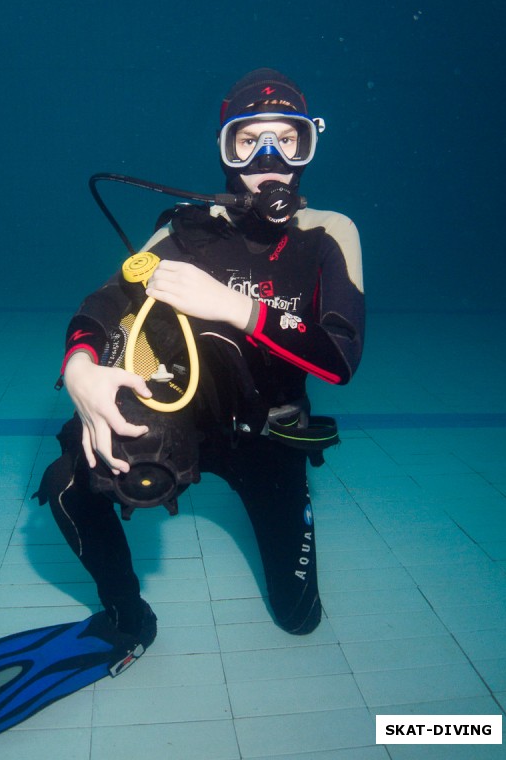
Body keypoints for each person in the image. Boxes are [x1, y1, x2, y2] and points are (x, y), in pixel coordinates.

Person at [36, 68, 365, 659]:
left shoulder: (327, 234)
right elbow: (106, 302)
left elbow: (340, 358)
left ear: (307, 147)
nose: (269, 158)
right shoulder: (184, 230)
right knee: (67, 480)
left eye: (287, 140)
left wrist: (239, 309)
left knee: (300, 621)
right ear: (226, 150)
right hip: (187, 422)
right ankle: (127, 614)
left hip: (271, 438)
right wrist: (81, 370)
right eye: (249, 140)